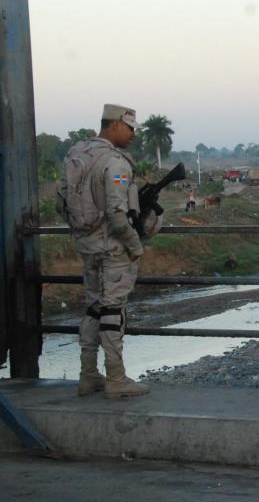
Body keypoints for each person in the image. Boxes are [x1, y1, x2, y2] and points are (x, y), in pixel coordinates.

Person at [57, 104, 160, 399]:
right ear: (114, 125)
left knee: (94, 307)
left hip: (86, 245)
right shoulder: (115, 162)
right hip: (113, 248)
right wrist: (135, 245)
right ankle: (116, 378)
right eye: (130, 128)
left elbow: (59, 203)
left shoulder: (76, 154)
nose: (133, 134)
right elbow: (117, 213)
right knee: (114, 310)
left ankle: (88, 375)